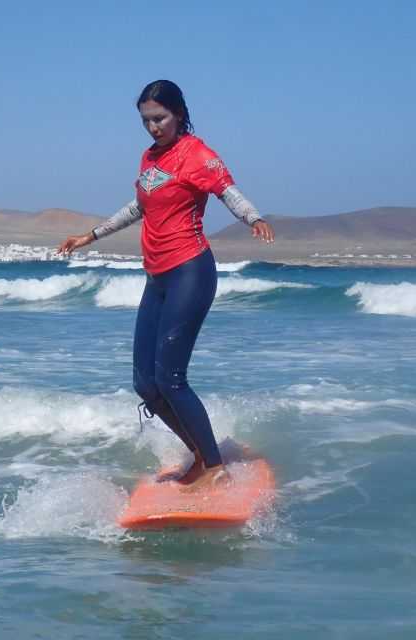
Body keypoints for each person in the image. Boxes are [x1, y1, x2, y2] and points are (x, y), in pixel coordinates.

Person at [58, 80, 275, 492]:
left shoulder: (198, 154)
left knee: (171, 377)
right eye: (146, 121)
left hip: (190, 271)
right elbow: (141, 204)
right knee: (146, 384)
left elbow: (228, 191)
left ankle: (213, 466)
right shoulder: (149, 157)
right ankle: (200, 454)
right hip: (156, 276)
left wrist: (254, 218)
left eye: (160, 118)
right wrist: (92, 235)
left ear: (179, 113)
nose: (153, 128)